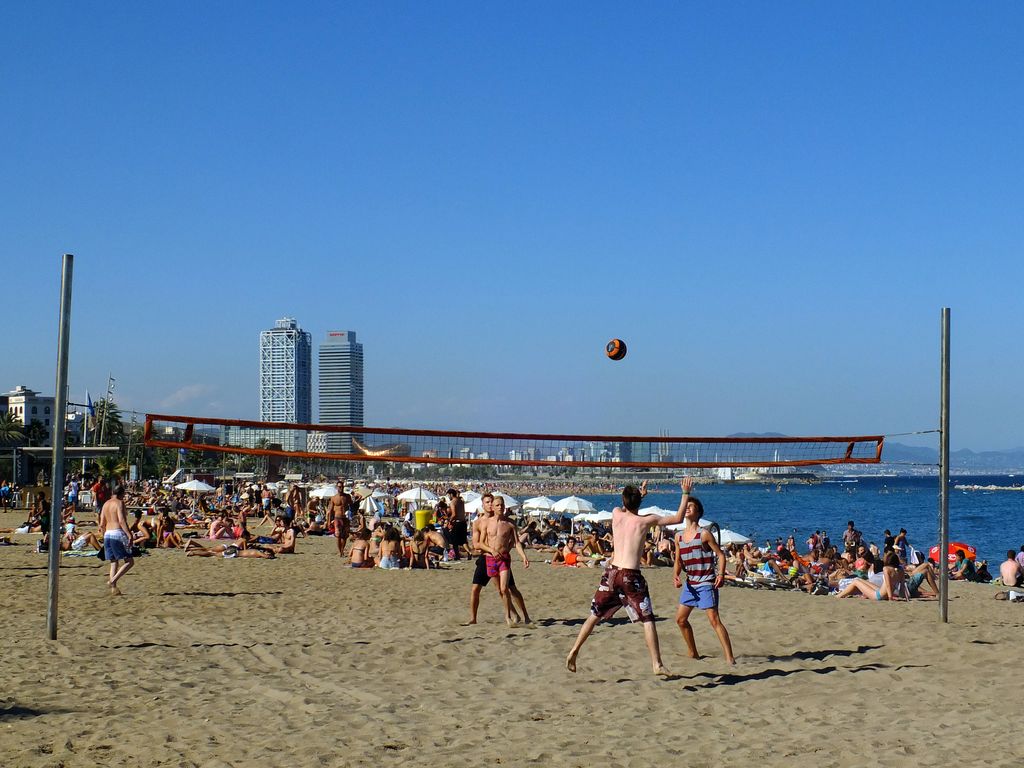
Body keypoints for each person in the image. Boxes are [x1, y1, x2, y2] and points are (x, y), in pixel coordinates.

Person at [566, 479, 688, 676]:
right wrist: (685, 493)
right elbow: (678, 518)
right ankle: (657, 664)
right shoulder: (645, 520)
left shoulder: (616, 513)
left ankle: (574, 650)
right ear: (639, 502)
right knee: (648, 620)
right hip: (631, 575)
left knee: (594, 614)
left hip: (612, 574)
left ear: (624, 500)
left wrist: (639, 496)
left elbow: (626, 507)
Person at [673, 492, 736, 665]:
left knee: (714, 620)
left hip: (706, 582)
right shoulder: (678, 536)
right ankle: (693, 652)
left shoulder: (704, 534)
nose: (687, 508)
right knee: (680, 620)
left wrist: (721, 574)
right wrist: (676, 576)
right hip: (690, 584)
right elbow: (678, 560)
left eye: (690, 506)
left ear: (698, 512)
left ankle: (730, 658)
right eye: (686, 506)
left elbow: (721, 555)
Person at [464, 492, 521, 626]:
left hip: (501, 558)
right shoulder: (478, 522)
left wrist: (506, 549)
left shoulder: (503, 520)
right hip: (485, 558)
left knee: (507, 589)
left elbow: (512, 539)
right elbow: (476, 544)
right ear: (483, 505)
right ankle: (473, 618)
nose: (490, 505)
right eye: (487, 502)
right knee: (475, 589)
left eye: (491, 502)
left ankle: (517, 614)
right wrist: (491, 550)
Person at [481, 496, 532, 625]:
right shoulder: (486, 523)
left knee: (505, 588)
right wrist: (491, 550)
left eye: (502, 505)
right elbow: (480, 543)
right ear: (492, 507)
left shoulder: (510, 523)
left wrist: (523, 557)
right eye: (497, 505)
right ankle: (513, 616)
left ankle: (510, 616)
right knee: (500, 590)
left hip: (504, 559)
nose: (500, 507)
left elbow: (516, 542)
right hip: (490, 558)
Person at [98, 485, 134, 596]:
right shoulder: (119, 503)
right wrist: (129, 534)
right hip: (117, 533)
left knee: (114, 562)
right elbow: (121, 520)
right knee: (129, 561)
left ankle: (114, 589)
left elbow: (101, 523)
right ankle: (112, 581)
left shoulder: (105, 504)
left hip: (107, 534)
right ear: (121, 494)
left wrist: (104, 535)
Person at [446, 489, 471, 560]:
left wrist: (449, 520)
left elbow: (454, 514)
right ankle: (469, 552)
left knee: (455, 541)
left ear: (451, 494)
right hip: (463, 522)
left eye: (448, 495)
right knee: (463, 540)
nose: (448, 497)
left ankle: (457, 556)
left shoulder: (452, 502)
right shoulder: (461, 501)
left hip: (457, 523)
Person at [330, 482, 351, 559]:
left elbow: (351, 505)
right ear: (337, 487)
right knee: (338, 535)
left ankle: (342, 550)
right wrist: (329, 521)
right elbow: (330, 510)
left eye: (342, 487)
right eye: (339, 487)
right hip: (337, 517)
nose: (341, 488)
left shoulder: (347, 496)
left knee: (344, 536)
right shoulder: (334, 498)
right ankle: (340, 552)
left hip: (345, 518)